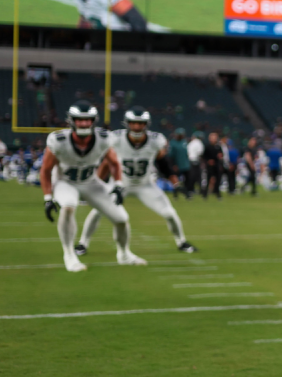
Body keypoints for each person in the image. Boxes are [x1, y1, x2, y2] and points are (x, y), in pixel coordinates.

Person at [39, 101, 146, 272]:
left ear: (93, 121)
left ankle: (124, 254)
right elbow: (45, 170)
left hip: (90, 182)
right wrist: (48, 198)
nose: (84, 123)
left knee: (121, 219)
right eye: (80, 120)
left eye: (87, 120)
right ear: (71, 121)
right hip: (65, 181)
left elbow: (115, 163)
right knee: (68, 207)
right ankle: (69, 255)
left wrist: (118, 185)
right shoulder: (58, 140)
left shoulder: (103, 138)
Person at [78, 106, 197, 255]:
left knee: (170, 213)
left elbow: (164, 165)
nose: (137, 126)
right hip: (120, 184)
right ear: (127, 123)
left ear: (146, 124)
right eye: (133, 123)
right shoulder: (116, 139)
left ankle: (182, 242)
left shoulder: (155, 140)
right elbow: (107, 164)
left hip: (145, 185)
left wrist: (175, 183)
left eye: (140, 123)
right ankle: (83, 243)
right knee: (97, 211)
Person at [168, 129, 191, 199]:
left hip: (185, 165)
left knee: (187, 180)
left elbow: (186, 154)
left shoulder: (184, 142)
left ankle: (187, 194)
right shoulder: (173, 143)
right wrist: (174, 165)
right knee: (176, 181)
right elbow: (171, 156)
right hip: (177, 165)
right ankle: (175, 195)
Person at [202, 131, 224, 200]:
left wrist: (220, 157)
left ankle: (217, 193)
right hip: (210, 165)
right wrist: (208, 161)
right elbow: (204, 156)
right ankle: (205, 195)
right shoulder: (207, 146)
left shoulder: (218, 147)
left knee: (218, 179)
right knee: (208, 180)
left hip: (217, 165)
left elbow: (221, 155)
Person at [186, 131, 204, 200]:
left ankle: (190, 190)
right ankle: (200, 191)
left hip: (189, 161)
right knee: (198, 177)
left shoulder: (190, 143)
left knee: (190, 177)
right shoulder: (199, 143)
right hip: (195, 161)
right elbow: (200, 153)